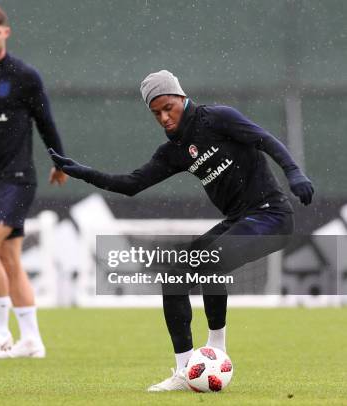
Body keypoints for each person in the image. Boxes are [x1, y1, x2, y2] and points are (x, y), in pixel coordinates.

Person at [50, 70, 314, 391]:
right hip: (238, 219)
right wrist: (82, 172)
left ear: (181, 96)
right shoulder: (174, 150)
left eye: (167, 108)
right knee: (174, 277)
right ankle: (184, 371)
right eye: (155, 112)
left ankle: (217, 348)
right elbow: (131, 185)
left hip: (272, 216)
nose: (163, 117)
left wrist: (294, 173)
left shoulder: (218, 119)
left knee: (212, 260)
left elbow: (266, 140)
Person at [0, 2, 68, 359]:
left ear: (6, 33)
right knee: (8, 258)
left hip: (18, 179)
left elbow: (46, 121)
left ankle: (1, 332)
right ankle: (31, 339)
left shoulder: (24, 75)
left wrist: (59, 161)